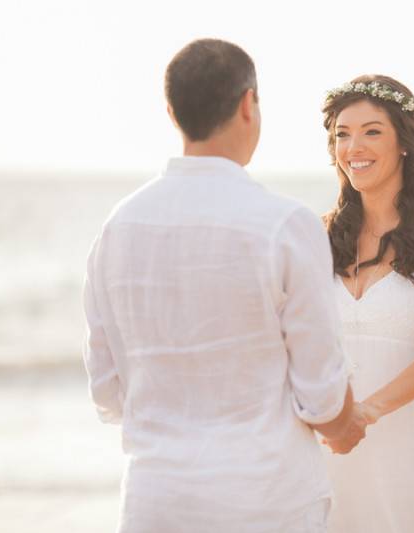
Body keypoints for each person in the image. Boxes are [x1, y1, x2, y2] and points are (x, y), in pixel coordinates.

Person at [82, 38, 367, 533]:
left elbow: (106, 392)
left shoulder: (118, 227)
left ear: (172, 114)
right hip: (266, 502)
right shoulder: (285, 224)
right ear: (247, 105)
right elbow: (322, 396)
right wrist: (347, 424)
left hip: (154, 503)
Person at [319, 75, 414, 533]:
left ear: (403, 141)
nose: (353, 147)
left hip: (406, 453)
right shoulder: (317, 233)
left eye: (371, 131)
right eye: (342, 134)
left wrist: (364, 413)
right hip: (328, 452)